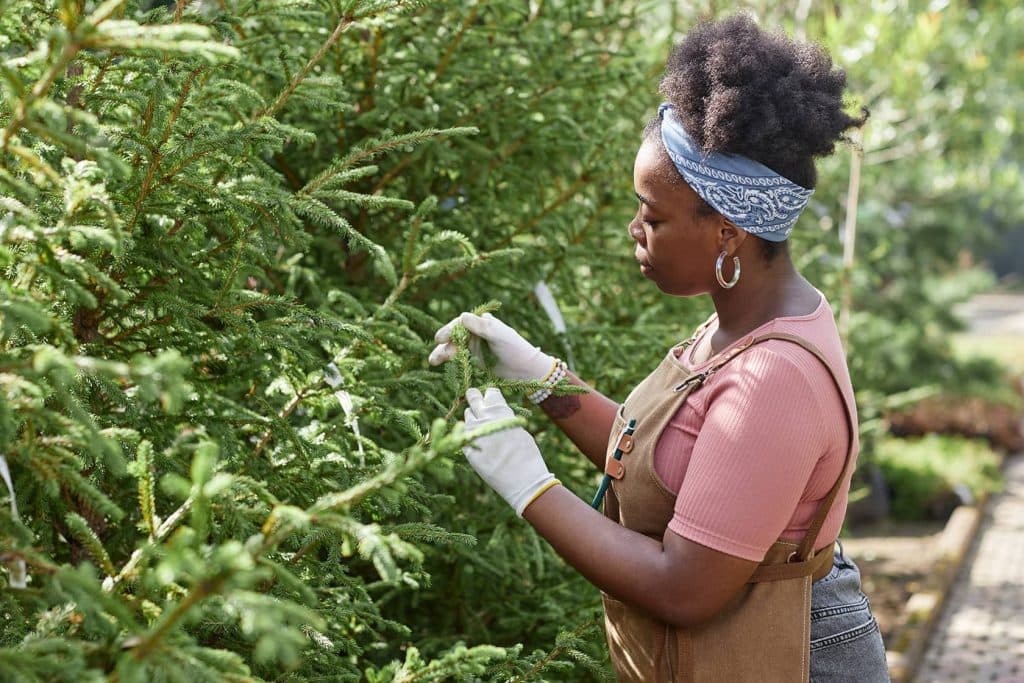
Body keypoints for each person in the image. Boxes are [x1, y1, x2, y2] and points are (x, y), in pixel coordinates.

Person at [428, 14, 889, 683]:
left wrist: (529, 485)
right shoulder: (743, 323)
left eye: (654, 215)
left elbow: (684, 586)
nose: (634, 229)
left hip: (794, 658)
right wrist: (540, 380)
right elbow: (675, 469)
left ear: (727, 233)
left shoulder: (773, 377)